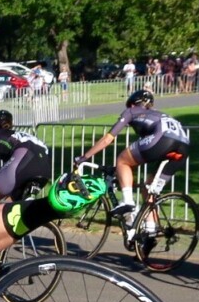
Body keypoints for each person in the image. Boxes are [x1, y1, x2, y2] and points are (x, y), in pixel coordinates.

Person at [72, 89, 191, 217]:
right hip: (184, 147)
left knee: (122, 161)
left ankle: (128, 201)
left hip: (163, 140)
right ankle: (150, 229)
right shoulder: (159, 114)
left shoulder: (131, 111)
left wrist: (84, 157)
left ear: (133, 104)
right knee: (148, 188)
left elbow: (108, 139)